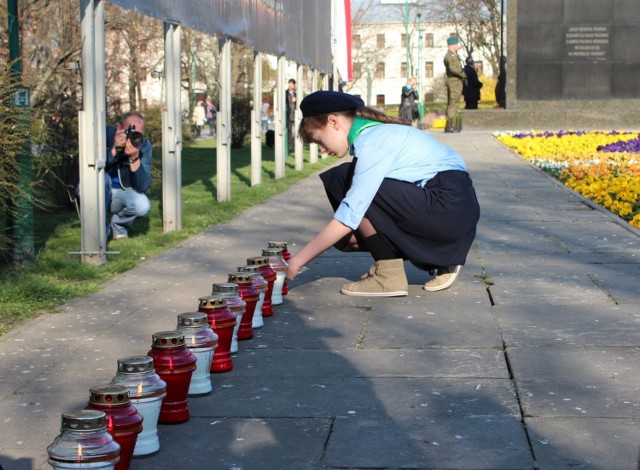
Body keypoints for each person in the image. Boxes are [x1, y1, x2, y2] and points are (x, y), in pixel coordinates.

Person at [285, 90, 480, 297]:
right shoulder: (377, 134)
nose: (322, 150)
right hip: (451, 209)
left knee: (352, 184)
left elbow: (352, 212)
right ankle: (437, 258)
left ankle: (390, 275)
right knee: (345, 210)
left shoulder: (373, 141)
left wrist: (297, 262)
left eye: (319, 140)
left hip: (447, 209)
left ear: (333, 122)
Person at [105, 111, 152, 240]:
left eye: (138, 133)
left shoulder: (144, 146)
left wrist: (134, 158)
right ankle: (101, 229)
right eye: (129, 131)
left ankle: (119, 226)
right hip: (98, 189)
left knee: (142, 205)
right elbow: (97, 167)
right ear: (119, 128)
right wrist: (115, 149)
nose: (133, 136)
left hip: (120, 192)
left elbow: (143, 186)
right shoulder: (106, 135)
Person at [443, 37, 466, 133]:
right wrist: (463, 74)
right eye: (457, 44)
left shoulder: (453, 55)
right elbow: (453, 69)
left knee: (455, 103)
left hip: (455, 82)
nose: (458, 46)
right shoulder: (450, 56)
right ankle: (449, 125)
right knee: (453, 103)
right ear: (452, 45)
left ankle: (451, 125)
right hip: (454, 82)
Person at [285, 78, 297, 150]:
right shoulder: (285, 93)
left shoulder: (296, 93)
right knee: (289, 130)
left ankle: (293, 144)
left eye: (292, 84)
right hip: (288, 114)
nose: (291, 85)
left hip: (295, 114)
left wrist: (295, 100)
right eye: (290, 83)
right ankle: (289, 144)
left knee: (295, 131)